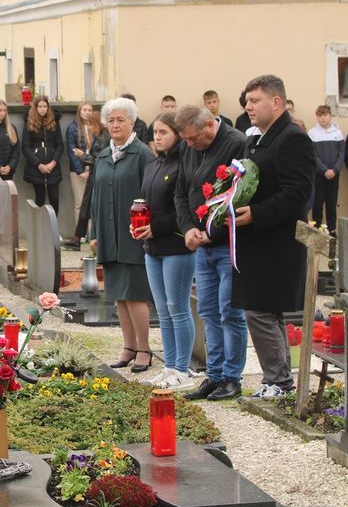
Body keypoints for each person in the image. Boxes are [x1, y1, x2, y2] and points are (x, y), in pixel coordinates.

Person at [233, 75, 315, 398]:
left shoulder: (293, 138)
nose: (248, 107)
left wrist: (257, 213)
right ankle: (278, 379)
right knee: (264, 311)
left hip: (276, 242)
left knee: (260, 310)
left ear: (276, 102)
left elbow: (297, 193)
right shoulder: (257, 139)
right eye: (247, 102)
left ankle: (278, 381)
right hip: (256, 241)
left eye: (255, 101)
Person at [174, 104, 249, 401]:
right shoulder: (188, 146)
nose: (190, 144)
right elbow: (181, 192)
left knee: (230, 313)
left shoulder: (236, 143)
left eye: (193, 138)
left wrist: (212, 232)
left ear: (209, 124)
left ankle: (232, 377)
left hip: (226, 243)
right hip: (200, 245)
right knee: (208, 312)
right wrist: (187, 229)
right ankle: (214, 374)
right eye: (186, 140)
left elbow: (237, 196)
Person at [88, 97, 156, 373]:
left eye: (121, 120)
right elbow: (95, 197)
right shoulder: (103, 155)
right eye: (111, 120)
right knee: (119, 294)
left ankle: (144, 349)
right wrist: (95, 232)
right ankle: (128, 346)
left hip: (133, 234)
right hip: (109, 233)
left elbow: (151, 194)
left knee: (135, 293)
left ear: (133, 123)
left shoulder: (143, 155)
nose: (115, 125)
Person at [131, 111, 196, 391]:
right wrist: (137, 223)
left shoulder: (184, 165)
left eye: (163, 132)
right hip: (153, 247)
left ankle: (182, 370)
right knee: (162, 311)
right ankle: (169, 366)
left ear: (178, 134)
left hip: (176, 247)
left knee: (177, 308)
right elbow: (144, 203)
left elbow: (185, 210)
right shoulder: (153, 165)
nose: (157, 137)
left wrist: (156, 227)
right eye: (155, 132)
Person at [64, 102, 103, 248]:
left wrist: (83, 157)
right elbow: (71, 150)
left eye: (89, 110)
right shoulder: (73, 128)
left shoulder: (102, 136)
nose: (87, 112)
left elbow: (98, 158)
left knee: (90, 204)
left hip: (94, 170)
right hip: (83, 170)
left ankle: (89, 236)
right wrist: (80, 170)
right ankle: (79, 237)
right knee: (82, 203)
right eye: (84, 109)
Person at [21, 95, 64, 215]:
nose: (42, 109)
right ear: (35, 108)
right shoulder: (29, 122)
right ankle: (39, 227)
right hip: (36, 169)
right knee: (39, 200)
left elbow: (60, 145)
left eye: (45, 106)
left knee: (54, 200)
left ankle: (54, 226)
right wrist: (38, 164)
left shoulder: (54, 122)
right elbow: (25, 147)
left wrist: (53, 163)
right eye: (40, 106)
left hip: (53, 168)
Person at [307, 105, 343, 234]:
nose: (323, 118)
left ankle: (332, 230)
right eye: (320, 115)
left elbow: (341, 154)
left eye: (325, 115)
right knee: (317, 204)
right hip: (319, 176)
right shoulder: (312, 134)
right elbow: (313, 155)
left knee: (331, 204)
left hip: (334, 175)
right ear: (317, 117)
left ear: (330, 116)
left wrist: (335, 170)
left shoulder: (337, 133)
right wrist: (324, 170)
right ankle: (317, 230)